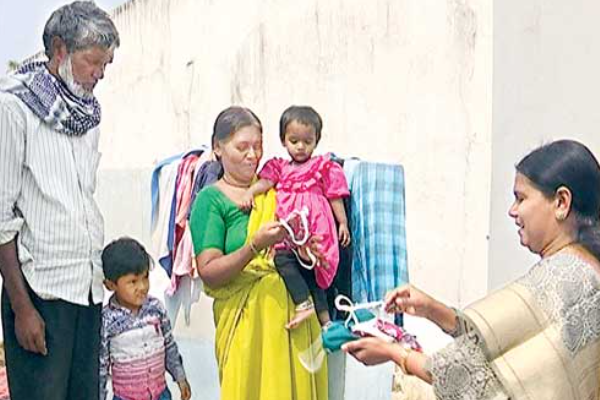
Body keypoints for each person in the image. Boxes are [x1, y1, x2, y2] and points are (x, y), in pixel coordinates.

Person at [343, 139, 600, 400]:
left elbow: (470, 370)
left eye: (521, 198)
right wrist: (431, 309)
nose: (513, 211)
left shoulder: (559, 279)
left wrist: (393, 352)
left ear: (561, 202)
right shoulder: (587, 271)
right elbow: (499, 343)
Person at [0, 2, 119, 399]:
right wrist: (21, 308)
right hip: (40, 295)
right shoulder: (13, 109)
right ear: (59, 50)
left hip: (86, 290)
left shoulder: (85, 116)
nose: (99, 74)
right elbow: (1, 218)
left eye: (106, 64)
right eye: (93, 62)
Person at [189, 106, 328, 400]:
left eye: (258, 147)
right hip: (246, 329)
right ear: (218, 147)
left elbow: (298, 246)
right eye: (242, 147)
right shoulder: (210, 200)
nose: (252, 155)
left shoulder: (277, 188)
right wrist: (254, 246)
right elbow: (209, 272)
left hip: (295, 322)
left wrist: (307, 249)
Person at [239, 105, 350, 329]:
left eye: (307, 142)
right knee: (283, 260)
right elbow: (266, 182)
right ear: (283, 140)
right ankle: (304, 304)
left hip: (316, 233)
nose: (300, 147)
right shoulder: (280, 168)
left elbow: (334, 195)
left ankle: (326, 321)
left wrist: (343, 223)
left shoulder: (322, 166)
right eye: (294, 140)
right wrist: (250, 192)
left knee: (314, 271)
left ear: (316, 141)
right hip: (290, 233)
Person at [99, 238, 191, 400]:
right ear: (110, 285)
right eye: (133, 282)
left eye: (145, 277)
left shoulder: (156, 309)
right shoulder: (107, 321)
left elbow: (169, 347)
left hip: (161, 394)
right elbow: (101, 366)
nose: (142, 287)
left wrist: (180, 377)